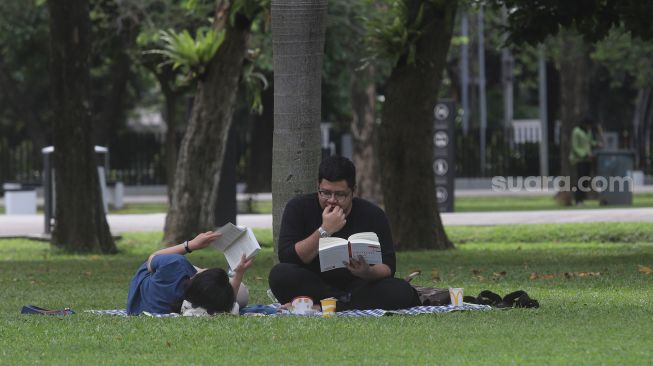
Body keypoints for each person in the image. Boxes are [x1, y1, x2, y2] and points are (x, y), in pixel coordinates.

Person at [268, 156, 420, 311]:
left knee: (401, 290)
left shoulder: (373, 214)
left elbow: (388, 266)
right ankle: (342, 302)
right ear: (318, 186)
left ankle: (326, 306)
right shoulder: (298, 207)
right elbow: (287, 256)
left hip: (359, 286)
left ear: (353, 191)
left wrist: (368, 271)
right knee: (279, 275)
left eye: (340, 195)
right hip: (315, 285)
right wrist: (324, 230)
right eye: (325, 193)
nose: (332, 200)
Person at [127, 231, 253, 315]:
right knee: (242, 293)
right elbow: (227, 303)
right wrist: (239, 273)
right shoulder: (198, 306)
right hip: (148, 298)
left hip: (140, 293)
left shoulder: (176, 265)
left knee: (239, 292)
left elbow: (151, 260)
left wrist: (190, 245)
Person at [569, 116, 601, 205]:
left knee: (585, 180)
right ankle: (577, 199)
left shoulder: (588, 131)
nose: (589, 127)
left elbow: (589, 142)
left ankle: (582, 199)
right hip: (579, 159)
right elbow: (575, 147)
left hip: (587, 159)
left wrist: (596, 144)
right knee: (581, 179)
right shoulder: (576, 132)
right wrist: (585, 154)